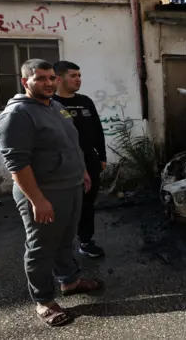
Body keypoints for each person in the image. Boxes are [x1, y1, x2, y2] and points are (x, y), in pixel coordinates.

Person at [0, 59, 103, 327]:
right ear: (25, 81)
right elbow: (17, 164)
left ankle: (70, 281)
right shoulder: (17, 115)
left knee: (66, 239)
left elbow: (71, 144)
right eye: (40, 78)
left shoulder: (55, 106)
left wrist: (83, 173)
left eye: (52, 78)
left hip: (71, 186)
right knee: (41, 248)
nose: (49, 83)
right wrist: (37, 200)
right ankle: (43, 301)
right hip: (44, 192)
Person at [53, 61, 107, 258]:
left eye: (79, 75)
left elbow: (97, 129)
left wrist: (101, 156)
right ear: (59, 79)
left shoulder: (85, 101)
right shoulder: (50, 103)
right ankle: (61, 247)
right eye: (73, 75)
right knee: (65, 205)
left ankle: (85, 241)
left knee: (87, 202)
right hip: (63, 162)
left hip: (89, 159)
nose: (78, 79)